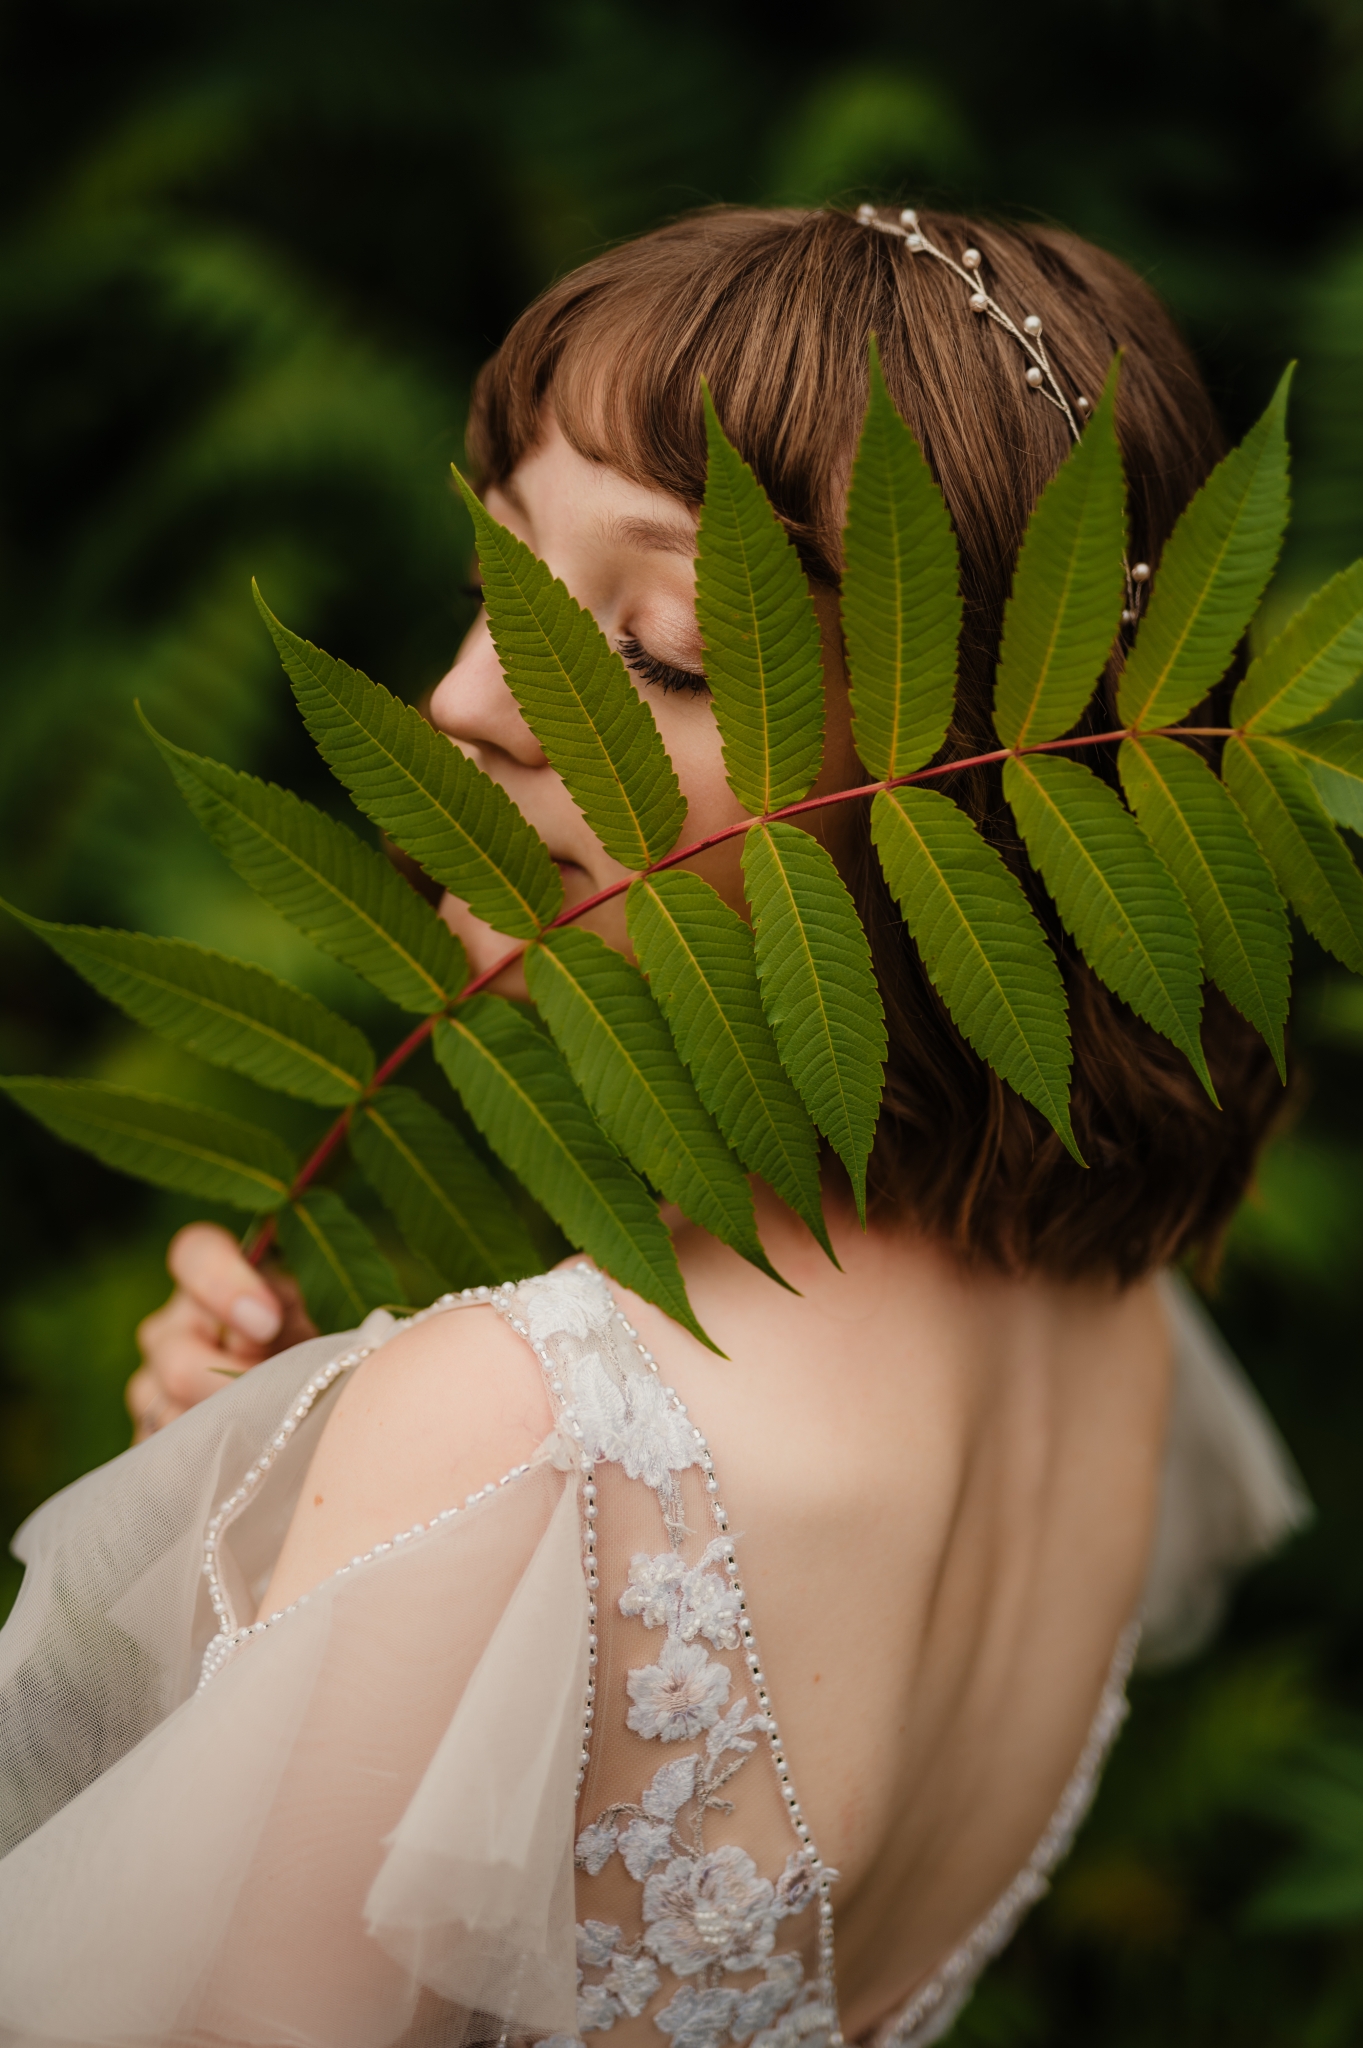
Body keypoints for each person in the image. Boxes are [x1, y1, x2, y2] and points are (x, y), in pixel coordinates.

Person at [0, 205, 1310, 2048]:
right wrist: (288, 1503)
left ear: (1012, 774)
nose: (463, 700)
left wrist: (387, 1480)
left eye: (674, 651)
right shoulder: (1122, 1329)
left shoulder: (524, 1440)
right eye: (505, 582)